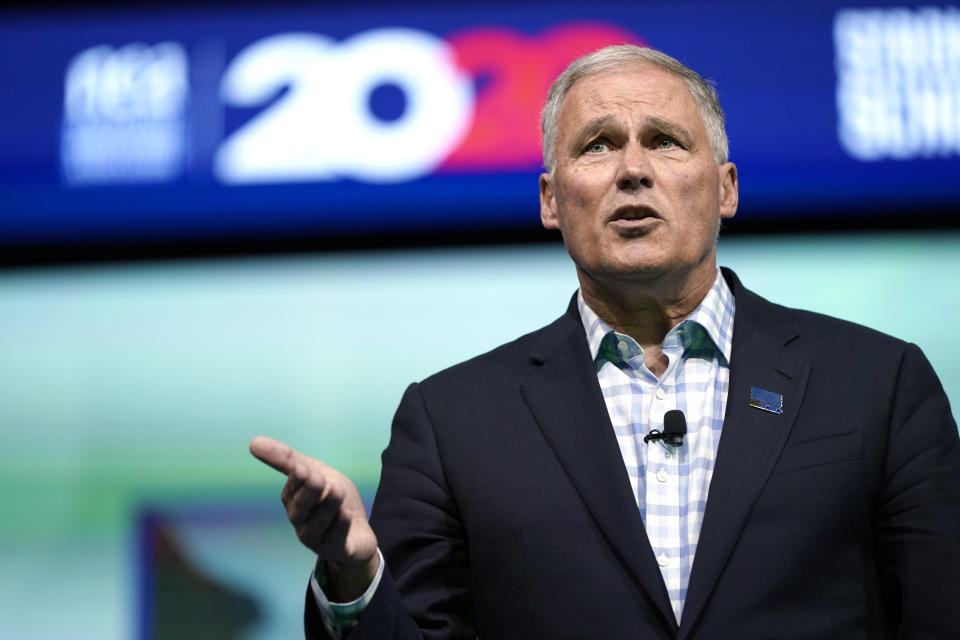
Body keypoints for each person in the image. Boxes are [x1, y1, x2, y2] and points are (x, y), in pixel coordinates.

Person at [250, 45, 960, 639]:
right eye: (597, 146)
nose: (631, 169)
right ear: (551, 201)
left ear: (725, 189)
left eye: (665, 141)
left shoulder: (878, 384)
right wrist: (353, 574)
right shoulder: (450, 422)